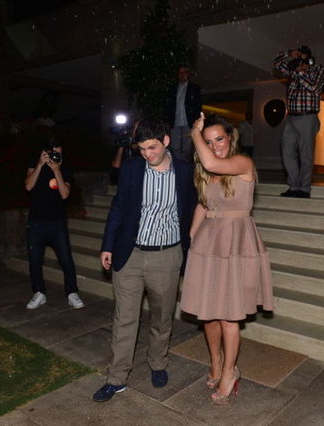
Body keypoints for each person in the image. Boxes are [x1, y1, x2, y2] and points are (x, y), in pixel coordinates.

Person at [93, 117, 196, 403]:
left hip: (167, 256)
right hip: (131, 254)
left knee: (162, 317)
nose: (147, 154)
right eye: (141, 149)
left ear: (166, 141)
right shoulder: (131, 168)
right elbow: (118, 207)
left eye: (152, 148)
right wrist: (108, 245)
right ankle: (116, 377)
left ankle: (158, 362)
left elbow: (192, 210)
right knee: (124, 318)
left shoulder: (185, 171)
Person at [180, 113, 274, 405]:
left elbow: (210, 162)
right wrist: (192, 238)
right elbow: (204, 204)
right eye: (208, 141)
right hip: (209, 243)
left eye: (219, 139)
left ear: (230, 138)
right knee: (208, 313)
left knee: (229, 315)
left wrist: (195, 134)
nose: (215, 146)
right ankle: (216, 363)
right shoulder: (206, 171)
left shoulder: (243, 163)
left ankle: (231, 371)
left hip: (236, 243)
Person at [24, 138, 83, 310]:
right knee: (35, 260)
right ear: (46, 152)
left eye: (60, 153)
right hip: (36, 222)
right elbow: (28, 186)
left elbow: (65, 195)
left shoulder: (64, 168)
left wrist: (57, 171)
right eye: (54, 153)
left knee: (66, 260)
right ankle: (39, 292)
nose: (57, 156)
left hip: (57, 222)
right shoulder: (35, 164)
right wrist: (40, 165)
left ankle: (72, 293)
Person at [273, 45, 324, 198]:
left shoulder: (317, 70)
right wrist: (289, 53)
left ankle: (304, 188)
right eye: (298, 58)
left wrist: (301, 72)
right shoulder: (293, 71)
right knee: (287, 151)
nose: (299, 62)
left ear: (309, 59)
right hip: (291, 117)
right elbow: (276, 62)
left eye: (302, 58)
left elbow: (314, 87)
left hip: (308, 117)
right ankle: (294, 186)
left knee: (305, 154)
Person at [165, 65, 202, 163]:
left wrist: (197, 121)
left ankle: (185, 165)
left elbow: (197, 105)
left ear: (188, 74)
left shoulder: (194, 88)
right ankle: (178, 165)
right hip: (175, 122)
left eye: (184, 72)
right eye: (180, 73)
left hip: (188, 122)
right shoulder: (173, 88)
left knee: (187, 148)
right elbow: (169, 105)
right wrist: (168, 120)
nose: (182, 75)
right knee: (175, 147)